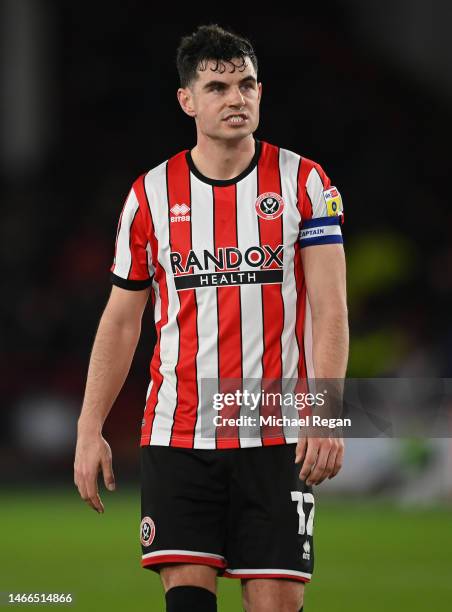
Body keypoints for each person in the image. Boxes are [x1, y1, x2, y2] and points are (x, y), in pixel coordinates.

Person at [74, 23, 348, 612]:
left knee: (274, 603)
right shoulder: (149, 194)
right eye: (218, 86)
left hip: (277, 431)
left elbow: (331, 309)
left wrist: (325, 412)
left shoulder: (306, 182)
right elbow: (123, 319)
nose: (236, 98)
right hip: (179, 431)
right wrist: (89, 426)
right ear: (187, 101)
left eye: (246, 84)